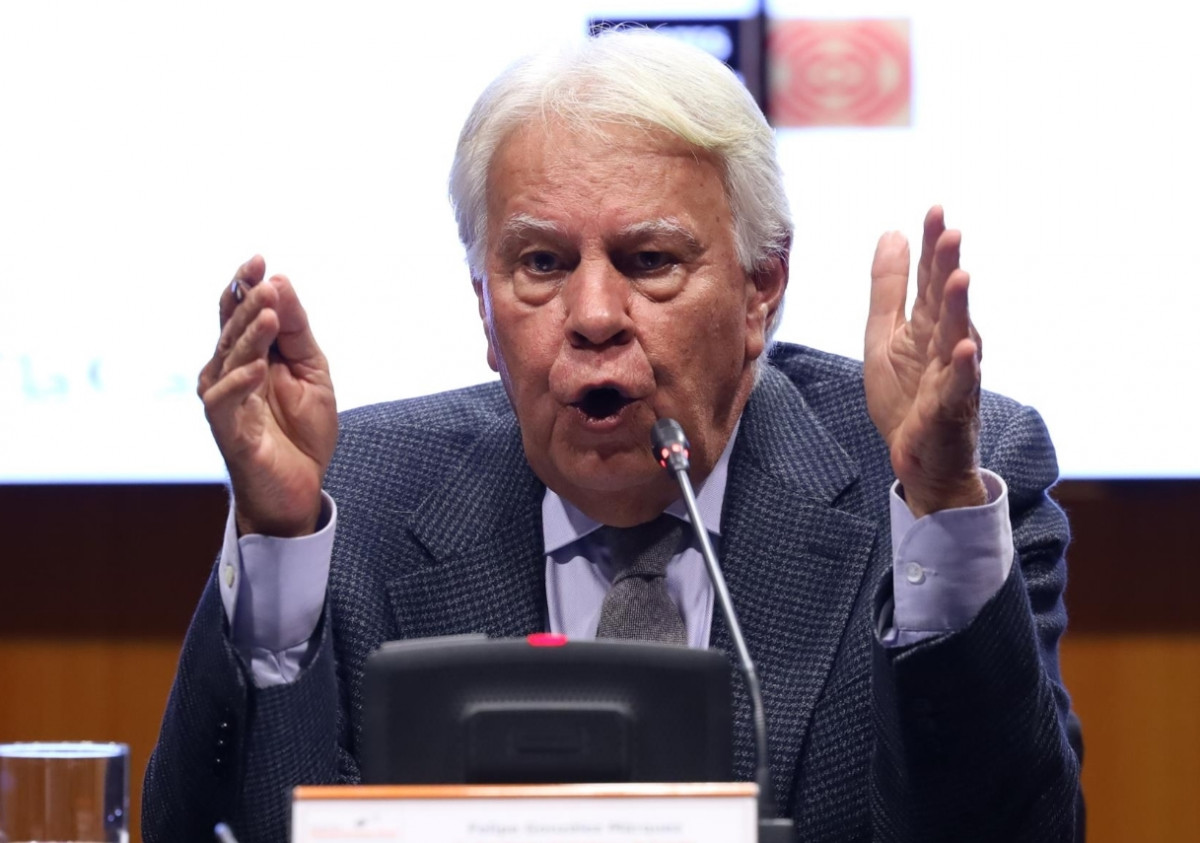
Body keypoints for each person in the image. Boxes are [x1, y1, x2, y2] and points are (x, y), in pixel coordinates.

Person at [144, 28, 1081, 842]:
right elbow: (211, 831)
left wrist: (941, 508)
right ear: (483, 308)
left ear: (760, 291)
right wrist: (277, 543)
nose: (594, 314)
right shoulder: (354, 501)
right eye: (542, 263)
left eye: (650, 260)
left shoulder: (937, 490)